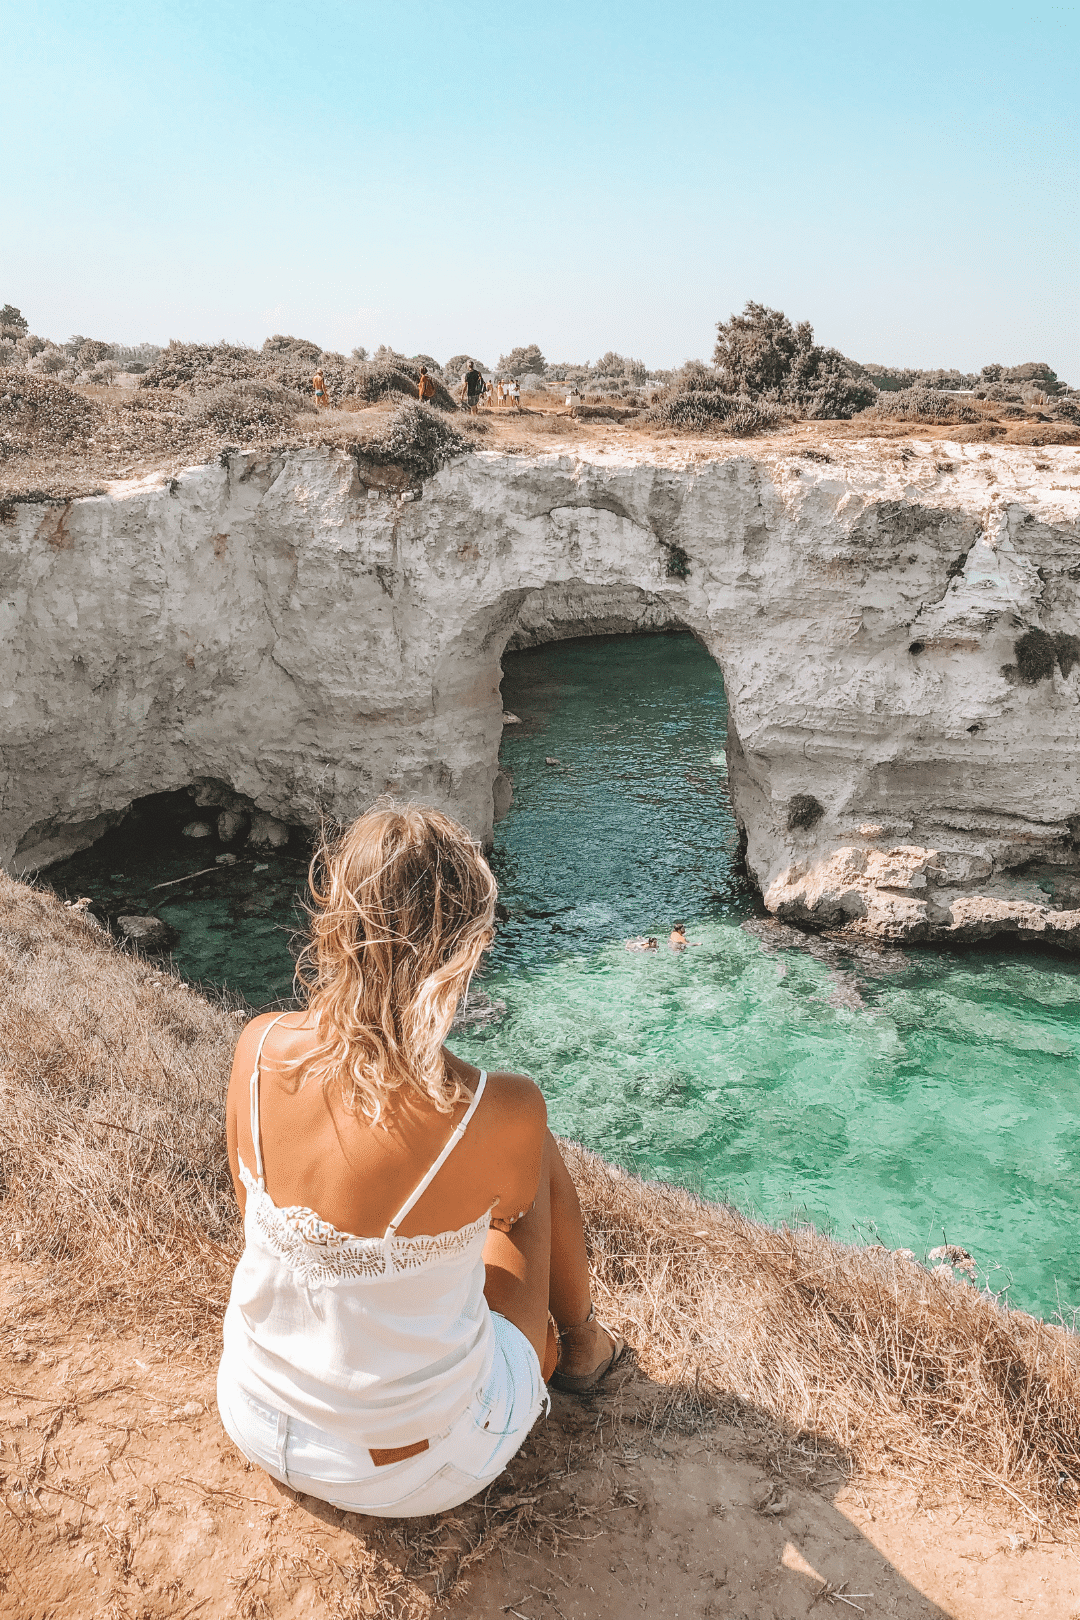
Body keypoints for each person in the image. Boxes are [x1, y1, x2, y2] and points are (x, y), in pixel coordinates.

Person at [217, 805, 623, 1519]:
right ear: (465, 947)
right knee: (533, 1158)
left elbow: (258, 1208)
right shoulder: (494, 1107)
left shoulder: (257, 1048)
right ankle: (586, 1348)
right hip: (414, 1472)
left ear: (335, 921)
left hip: (255, 1413)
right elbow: (505, 1220)